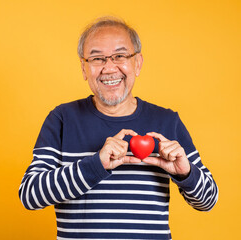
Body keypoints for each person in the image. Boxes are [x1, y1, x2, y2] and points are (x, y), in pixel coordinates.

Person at [18, 16, 218, 240]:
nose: (109, 67)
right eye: (97, 58)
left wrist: (186, 172)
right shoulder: (62, 119)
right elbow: (30, 196)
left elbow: (208, 201)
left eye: (120, 56)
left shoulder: (167, 121)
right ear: (84, 69)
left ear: (137, 63)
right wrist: (96, 165)